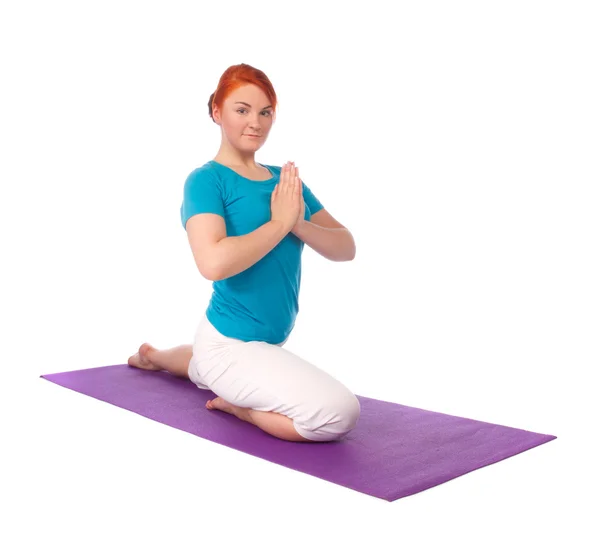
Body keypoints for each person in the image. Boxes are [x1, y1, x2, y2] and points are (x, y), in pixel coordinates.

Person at [128, 63, 360, 443]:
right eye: (242, 110)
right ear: (217, 112)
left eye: (265, 112)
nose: (256, 122)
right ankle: (239, 408)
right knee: (338, 413)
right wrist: (279, 224)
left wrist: (298, 223)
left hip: (255, 343)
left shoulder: (285, 183)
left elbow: (345, 247)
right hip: (229, 345)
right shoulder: (205, 180)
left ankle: (154, 356)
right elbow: (213, 262)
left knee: (204, 362)